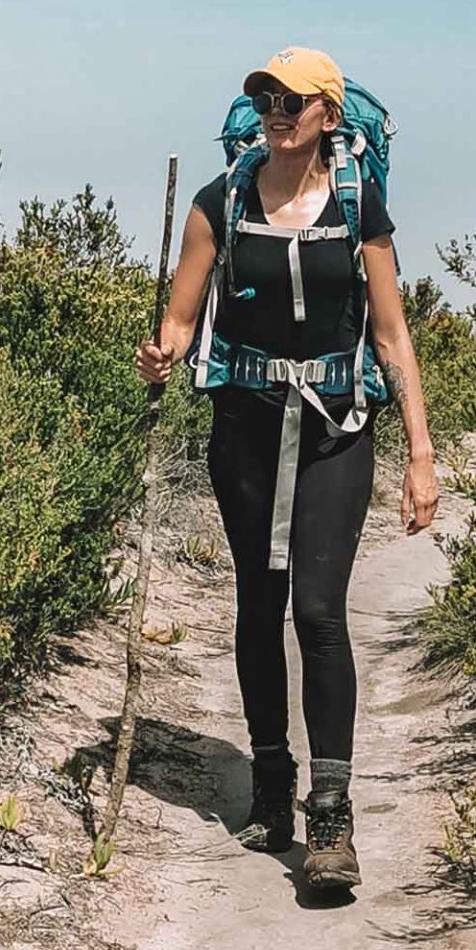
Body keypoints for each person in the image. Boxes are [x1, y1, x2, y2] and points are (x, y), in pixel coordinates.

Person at [135, 46, 439, 890]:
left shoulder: (357, 206)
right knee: (257, 601)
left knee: (317, 609)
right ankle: (271, 782)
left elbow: (390, 336)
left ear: (328, 116)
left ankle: (330, 819)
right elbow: (180, 320)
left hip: (338, 426)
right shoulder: (218, 202)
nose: (276, 109)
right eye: (265, 96)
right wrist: (158, 355)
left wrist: (420, 453)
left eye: (293, 99)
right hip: (246, 426)